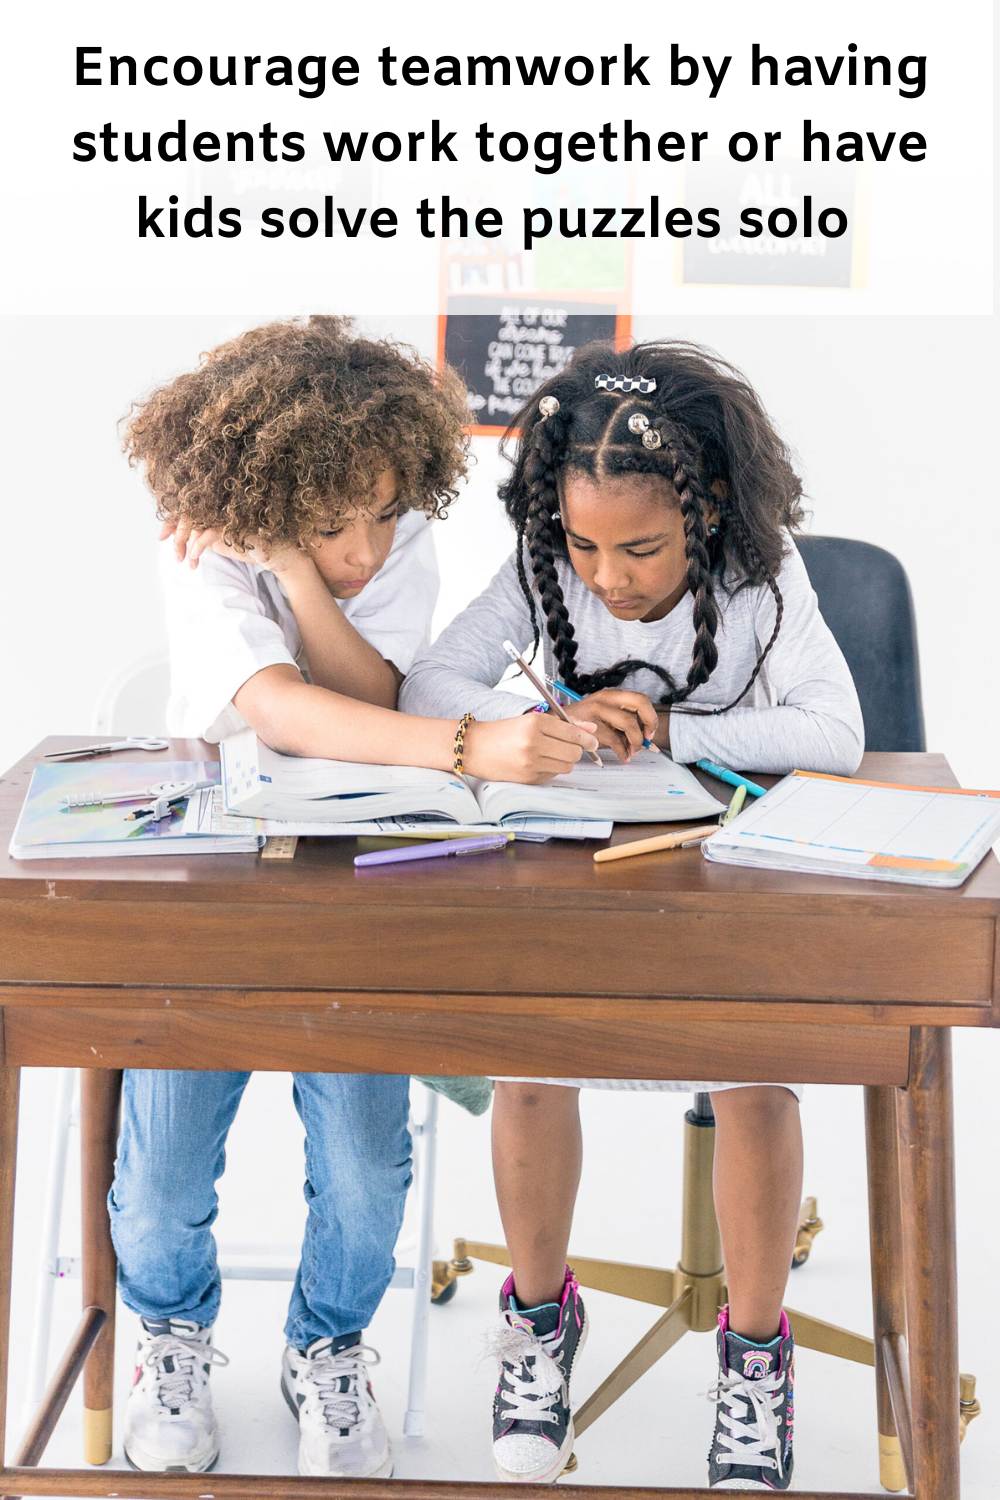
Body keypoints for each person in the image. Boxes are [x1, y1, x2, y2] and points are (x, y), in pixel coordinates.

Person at [115, 316, 599, 1480]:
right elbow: (275, 708)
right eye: (331, 527)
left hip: (360, 873)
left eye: (384, 513)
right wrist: (472, 746)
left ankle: (326, 1347)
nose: (369, 549)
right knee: (169, 1161)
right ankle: (170, 1335)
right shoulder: (207, 540)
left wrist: (301, 570)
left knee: (367, 1160)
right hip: (214, 885)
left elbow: (368, 687)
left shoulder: (394, 533)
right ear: (263, 501)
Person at [400, 338, 865, 1490]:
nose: (605, 576)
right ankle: (541, 1319)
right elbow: (430, 688)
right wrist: (521, 736)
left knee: (754, 1072)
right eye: (583, 543)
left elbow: (834, 734)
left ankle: (754, 1359)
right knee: (528, 1054)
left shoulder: (763, 576)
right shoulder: (540, 564)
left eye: (642, 549)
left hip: (723, 881)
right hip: (575, 879)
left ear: (706, 515)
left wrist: (671, 729)